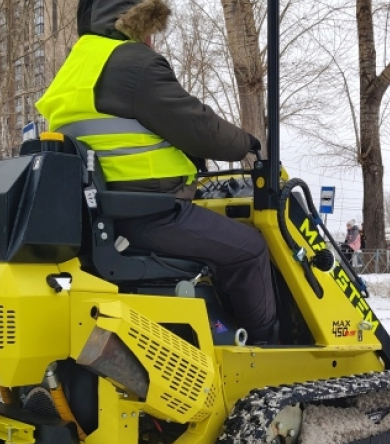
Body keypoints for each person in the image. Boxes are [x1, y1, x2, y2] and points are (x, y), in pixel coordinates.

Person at [36, 0, 277, 343]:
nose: (151, 37)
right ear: (134, 20)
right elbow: (197, 125)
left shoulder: (75, 67)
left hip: (100, 215)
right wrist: (246, 144)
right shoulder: (133, 63)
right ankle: (265, 347)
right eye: (149, 28)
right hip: (151, 213)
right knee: (249, 249)